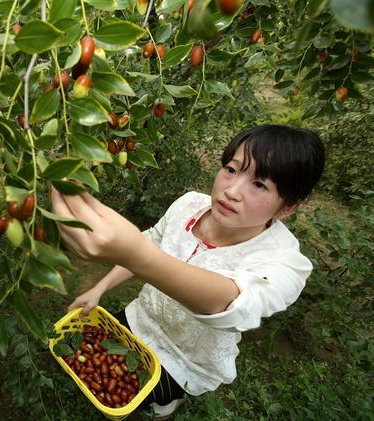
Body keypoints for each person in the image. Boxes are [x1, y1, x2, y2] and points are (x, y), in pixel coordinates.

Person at [50, 125, 325, 419]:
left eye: (259, 185)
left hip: (186, 359)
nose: (231, 191)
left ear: (288, 208)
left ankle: (165, 401)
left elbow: (237, 305)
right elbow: (152, 239)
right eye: (231, 169)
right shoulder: (189, 204)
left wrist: (136, 254)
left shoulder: (284, 262)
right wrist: (100, 288)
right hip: (141, 320)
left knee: (144, 395)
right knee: (99, 364)